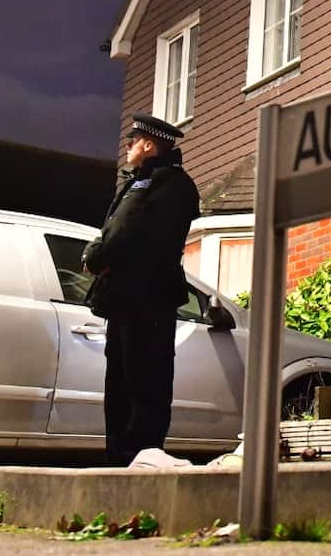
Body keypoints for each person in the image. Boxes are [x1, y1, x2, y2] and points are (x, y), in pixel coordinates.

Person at [82, 113, 200, 466]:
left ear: (148, 144)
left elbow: (131, 237)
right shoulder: (140, 181)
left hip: (148, 302)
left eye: (132, 141)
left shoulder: (171, 185)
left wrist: (101, 254)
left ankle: (141, 462)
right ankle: (118, 462)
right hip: (124, 303)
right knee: (118, 387)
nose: (128, 147)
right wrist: (98, 252)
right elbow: (113, 233)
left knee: (144, 384)